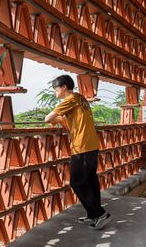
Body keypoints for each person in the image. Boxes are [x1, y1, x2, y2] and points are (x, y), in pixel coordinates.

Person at [44, 74, 111, 230]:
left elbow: (48, 118)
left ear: (64, 87)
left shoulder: (69, 100)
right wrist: (62, 120)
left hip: (82, 146)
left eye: (55, 88)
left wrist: (58, 119)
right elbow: (72, 121)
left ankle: (99, 213)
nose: (55, 92)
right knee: (90, 180)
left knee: (77, 182)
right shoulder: (80, 98)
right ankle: (93, 215)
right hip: (92, 144)